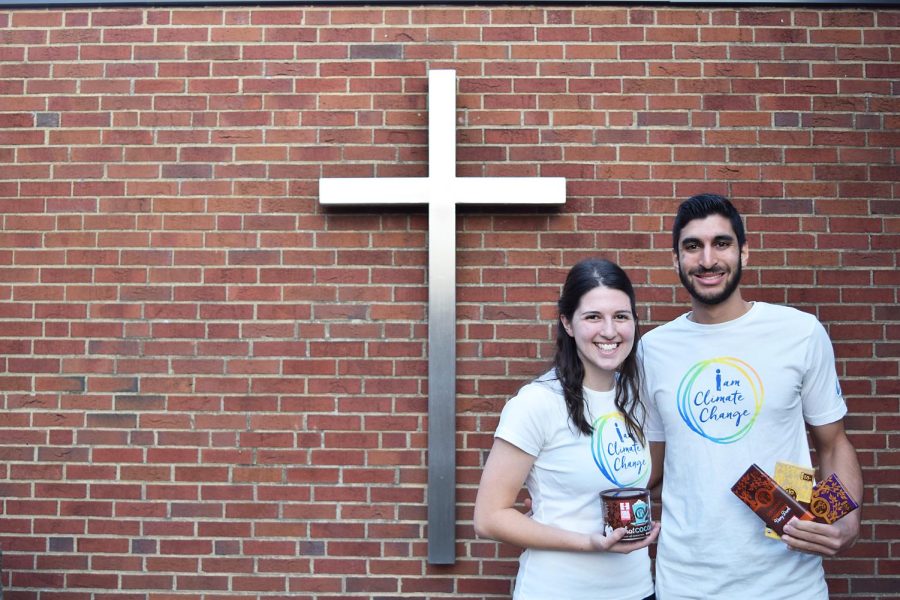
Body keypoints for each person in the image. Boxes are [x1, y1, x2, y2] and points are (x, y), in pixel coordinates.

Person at [641, 193, 863, 599]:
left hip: (788, 582)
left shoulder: (800, 332)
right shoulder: (652, 349)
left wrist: (843, 517)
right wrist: (563, 500)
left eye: (721, 243)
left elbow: (833, 443)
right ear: (676, 260)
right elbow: (647, 471)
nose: (707, 260)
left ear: (744, 251)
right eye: (693, 246)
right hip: (687, 584)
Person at [474, 258, 660, 600]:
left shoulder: (637, 397)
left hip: (636, 591)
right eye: (593, 317)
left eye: (621, 316)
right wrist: (588, 543)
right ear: (568, 323)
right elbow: (489, 517)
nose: (609, 331)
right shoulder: (537, 403)